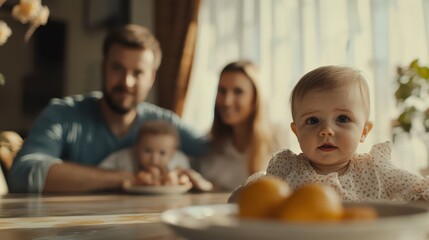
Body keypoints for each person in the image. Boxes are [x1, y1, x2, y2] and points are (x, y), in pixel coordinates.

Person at [8, 24, 207, 193]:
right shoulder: (62, 114)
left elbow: (214, 151)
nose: (126, 82)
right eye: (117, 68)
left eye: (138, 73)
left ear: (151, 78)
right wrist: (128, 177)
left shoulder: (164, 123)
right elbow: (23, 173)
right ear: (103, 68)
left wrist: (186, 175)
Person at [230, 65, 429, 202]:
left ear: (364, 131)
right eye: (313, 121)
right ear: (297, 132)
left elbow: (420, 192)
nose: (326, 130)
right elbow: (245, 202)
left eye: (342, 119)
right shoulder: (286, 169)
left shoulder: (376, 170)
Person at [193, 60, 287, 190]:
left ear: (255, 98)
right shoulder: (210, 140)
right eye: (222, 91)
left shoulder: (279, 138)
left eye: (238, 92)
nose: (227, 101)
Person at [99, 120, 212, 190]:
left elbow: (185, 181)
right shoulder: (124, 158)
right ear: (137, 148)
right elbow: (101, 172)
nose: (154, 159)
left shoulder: (178, 161)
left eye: (162, 153)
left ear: (173, 154)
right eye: (147, 151)